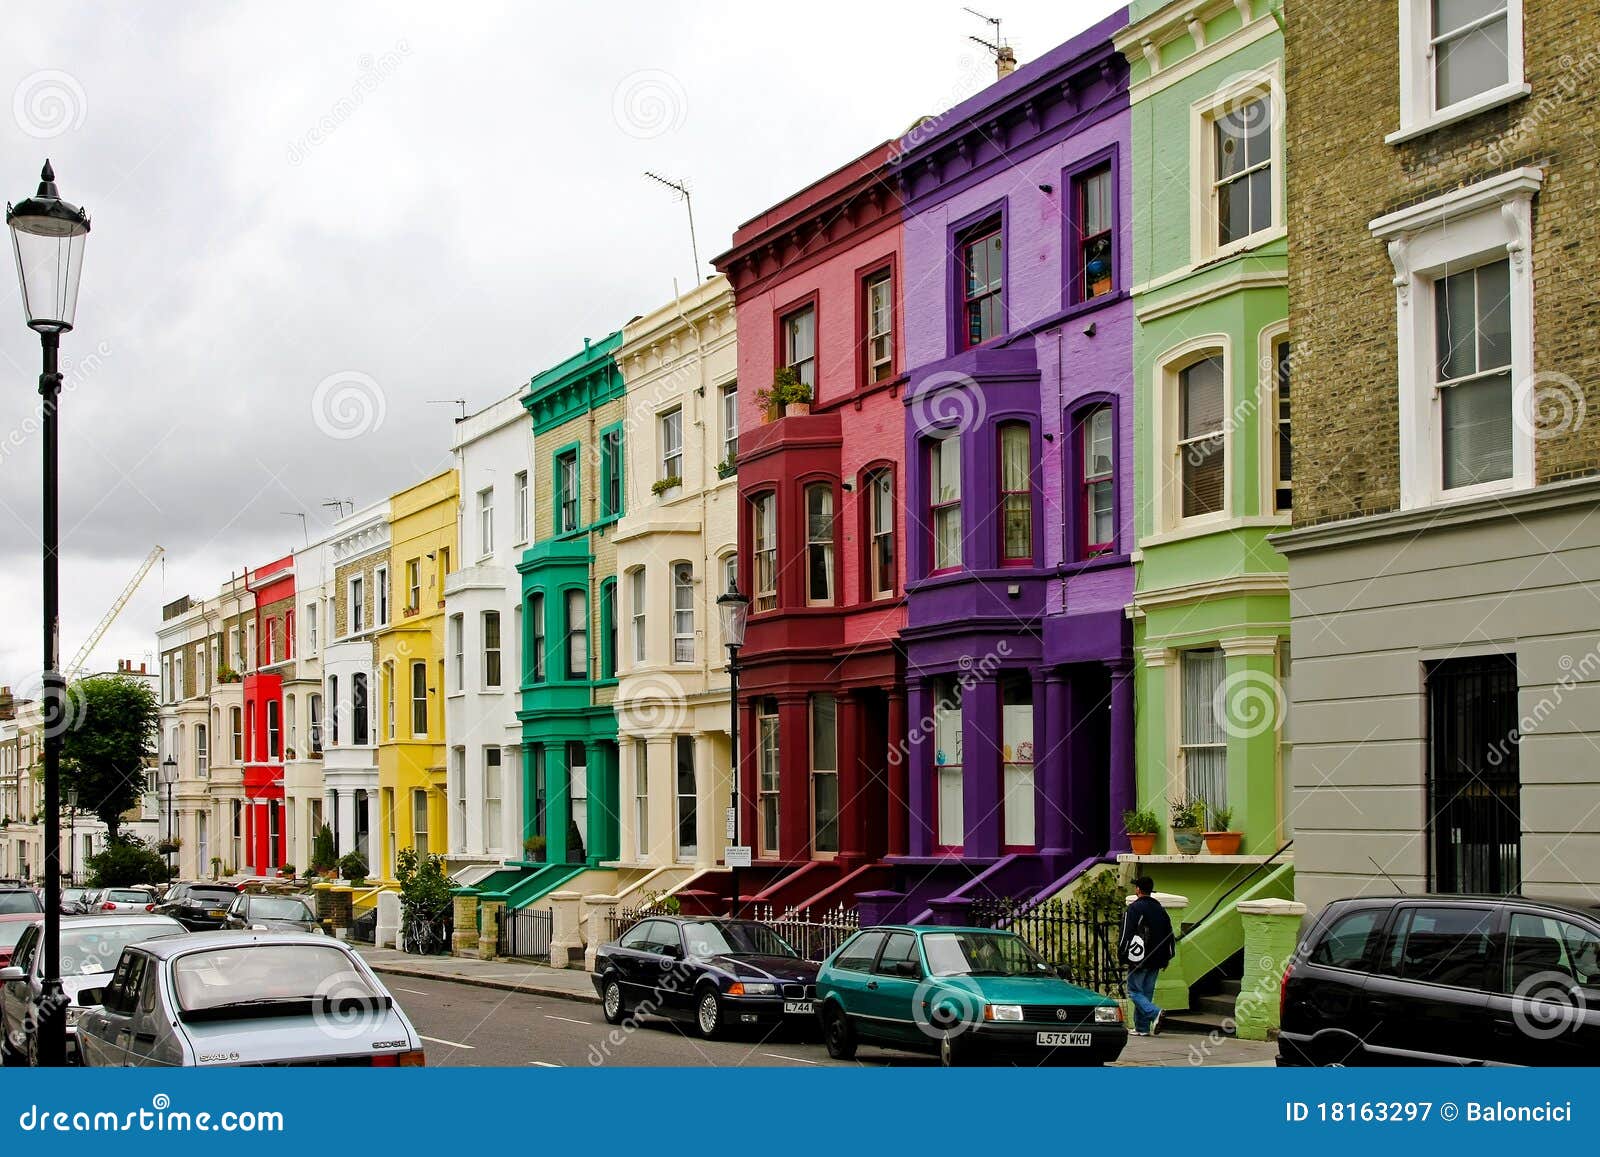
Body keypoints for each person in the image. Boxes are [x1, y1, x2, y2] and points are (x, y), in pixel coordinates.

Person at [1119, 875, 1174, 1036]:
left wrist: (1123, 953)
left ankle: (1154, 1012)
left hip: (1139, 958)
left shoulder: (1135, 908)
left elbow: (1126, 933)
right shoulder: (1160, 909)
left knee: (1134, 991)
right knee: (1146, 992)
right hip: (1158, 958)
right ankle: (1142, 1028)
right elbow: (1169, 934)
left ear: (1138, 890)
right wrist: (1168, 956)